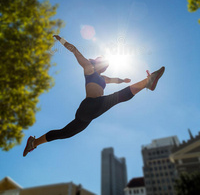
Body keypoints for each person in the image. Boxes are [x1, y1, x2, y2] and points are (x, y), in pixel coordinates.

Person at [23, 35, 165, 157]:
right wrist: (62, 40)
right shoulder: (88, 68)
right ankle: (148, 81)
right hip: (89, 106)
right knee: (116, 98)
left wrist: (123, 80)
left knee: (64, 133)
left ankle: (33, 143)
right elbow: (75, 51)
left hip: (87, 115)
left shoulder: (103, 78)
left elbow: (114, 80)